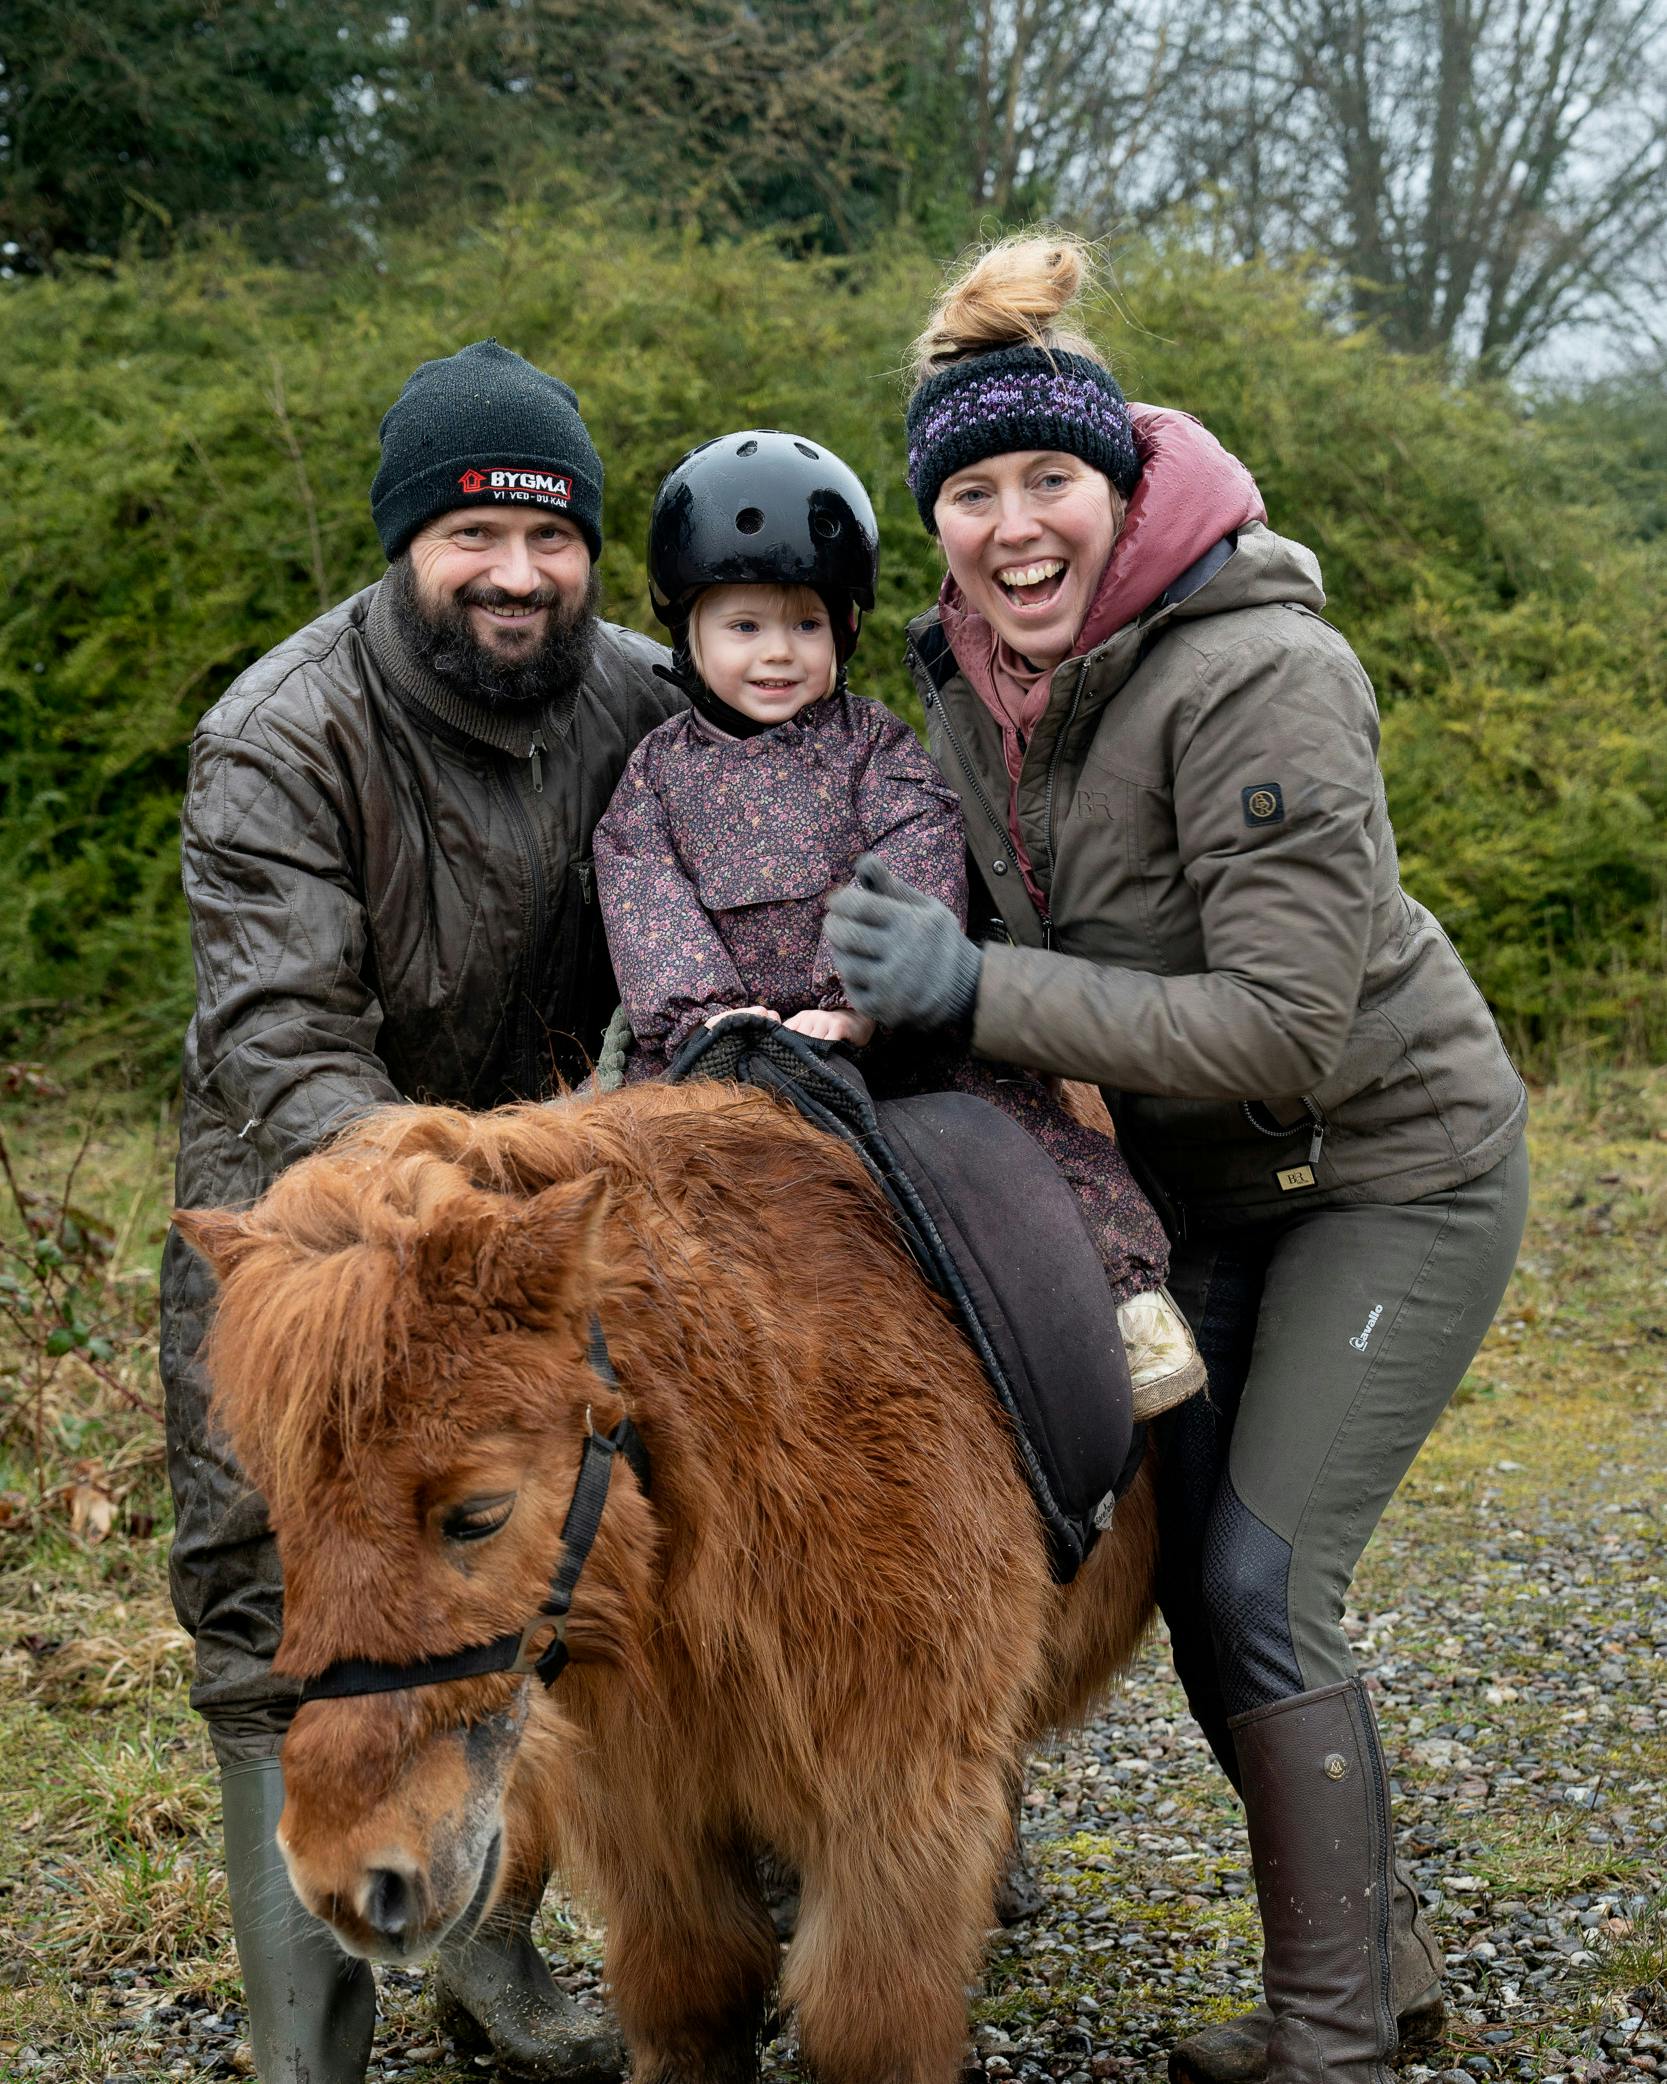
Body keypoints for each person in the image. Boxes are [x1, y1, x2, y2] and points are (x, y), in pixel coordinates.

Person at [825, 237, 1529, 2084]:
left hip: (1390, 1167)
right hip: (1197, 1193)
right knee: (1186, 1571)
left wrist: (981, 985)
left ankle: (1332, 2048)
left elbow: (1281, 1027)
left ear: (1122, 483)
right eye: (968, 493)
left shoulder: (1259, 673)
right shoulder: (971, 684)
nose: (1011, 523)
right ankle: (1377, 1973)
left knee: (1254, 1578)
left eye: (1047, 477)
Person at [160, 339, 681, 2084]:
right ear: (406, 545)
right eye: (472, 537)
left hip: (511, 1221)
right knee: (266, 1610)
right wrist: (450, 1227)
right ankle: (314, 2039)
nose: (517, 574)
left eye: (552, 536)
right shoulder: (281, 733)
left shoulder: (647, 697)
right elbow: (279, 1036)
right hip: (301, 1225)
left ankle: (494, 1940)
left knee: (530, 1556)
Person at [592, 429, 1200, 1407]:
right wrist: (700, 1014)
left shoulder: (875, 747)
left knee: (1024, 1127)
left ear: (842, 630)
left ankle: (1123, 1301)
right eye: (743, 627)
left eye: (804, 625)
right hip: (718, 1050)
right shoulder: (656, 773)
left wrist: (854, 1000)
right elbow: (641, 887)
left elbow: (915, 854)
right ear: (689, 636)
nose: (777, 653)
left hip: (884, 1040)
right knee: (598, 1172)